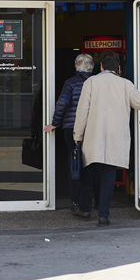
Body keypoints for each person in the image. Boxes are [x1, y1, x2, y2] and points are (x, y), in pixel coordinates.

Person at [72, 50, 140, 226]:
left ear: (101, 66)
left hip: (93, 136)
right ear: (118, 67)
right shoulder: (125, 84)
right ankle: (103, 215)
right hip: (115, 138)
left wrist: (77, 134)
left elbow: (82, 111)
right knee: (108, 176)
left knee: (89, 172)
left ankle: (85, 210)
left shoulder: (91, 82)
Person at [43, 53, 94, 214]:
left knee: (75, 165)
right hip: (92, 129)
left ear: (76, 67)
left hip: (71, 129)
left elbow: (62, 103)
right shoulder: (96, 83)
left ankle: (76, 202)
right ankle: (91, 202)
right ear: (92, 67)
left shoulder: (71, 83)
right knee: (91, 166)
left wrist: (55, 123)